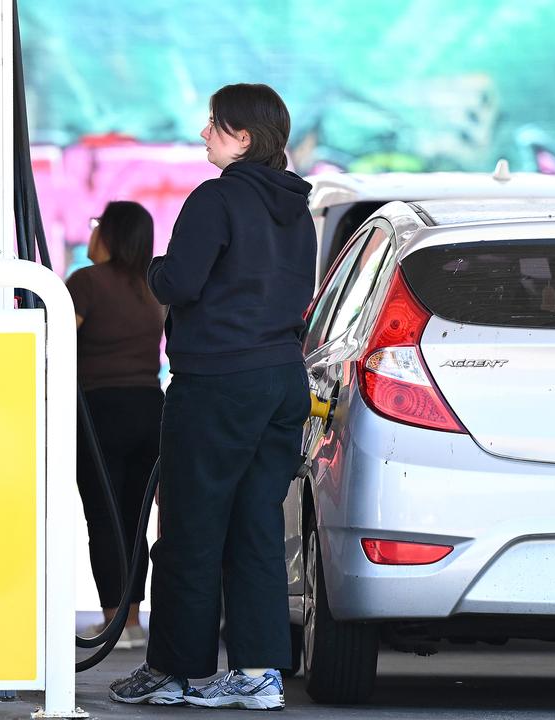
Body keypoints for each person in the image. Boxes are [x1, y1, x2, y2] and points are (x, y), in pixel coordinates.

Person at [109, 83, 314, 710]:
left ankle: (173, 672)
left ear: (243, 138)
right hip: (282, 380)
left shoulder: (216, 198)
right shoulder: (296, 209)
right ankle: (257, 674)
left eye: (214, 125)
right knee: (256, 527)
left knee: (191, 530)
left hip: (218, 382)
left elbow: (179, 282)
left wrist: (155, 269)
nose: (204, 134)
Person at [66, 201, 165, 649]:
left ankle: (113, 622)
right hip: (149, 408)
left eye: (97, 225)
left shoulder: (85, 283)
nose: (91, 232)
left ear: (111, 233)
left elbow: (59, 339)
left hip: (99, 411)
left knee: (103, 519)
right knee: (133, 518)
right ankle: (132, 622)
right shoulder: (152, 287)